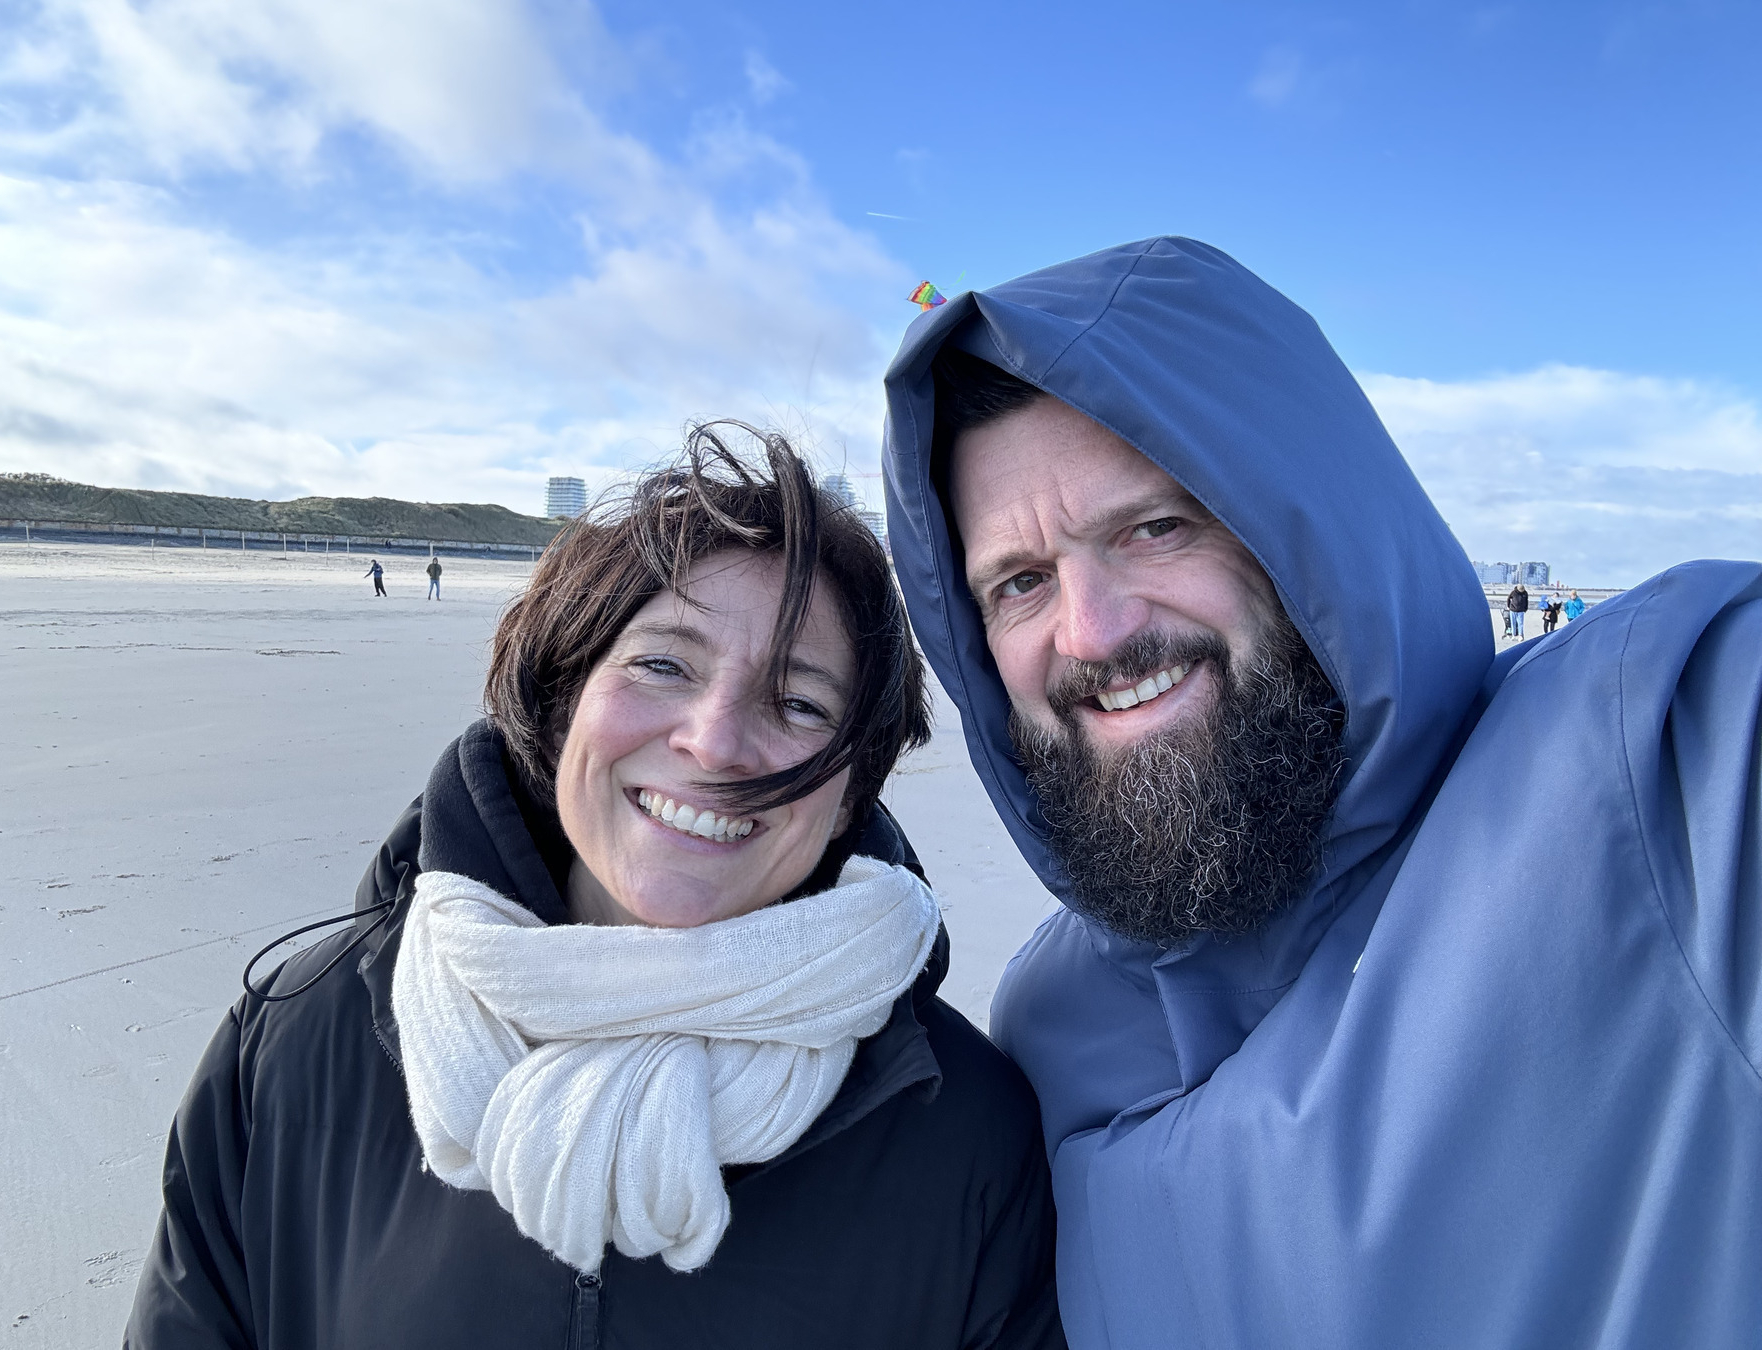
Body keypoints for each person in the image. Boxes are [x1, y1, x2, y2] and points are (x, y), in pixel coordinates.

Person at [880, 237, 1762, 1347]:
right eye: (1019, 583)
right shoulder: (1047, 1024)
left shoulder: (1668, 746)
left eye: (1156, 526)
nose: (1092, 631)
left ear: (1307, 518)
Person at [126, 426, 1064, 1350]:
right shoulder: (295, 1044)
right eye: (663, 663)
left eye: (799, 702)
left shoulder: (964, 1132)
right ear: (561, 693)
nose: (715, 740)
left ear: (853, 786)